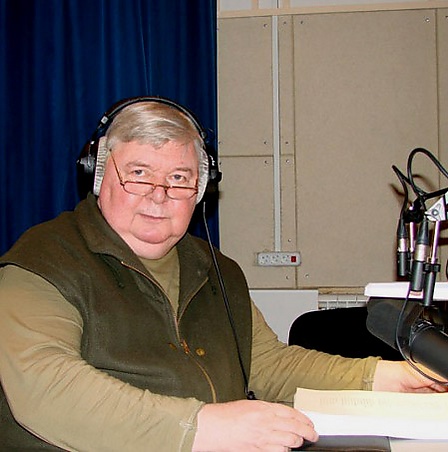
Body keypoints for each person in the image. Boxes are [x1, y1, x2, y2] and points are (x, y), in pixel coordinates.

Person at [0, 97, 445, 452]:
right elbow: (45, 387)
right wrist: (202, 428)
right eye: (138, 174)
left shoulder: (216, 269)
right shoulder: (43, 260)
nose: (159, 195)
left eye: (179, 178)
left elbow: (268, 365)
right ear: (98, 176)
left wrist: (387, 378)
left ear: (200, 192)